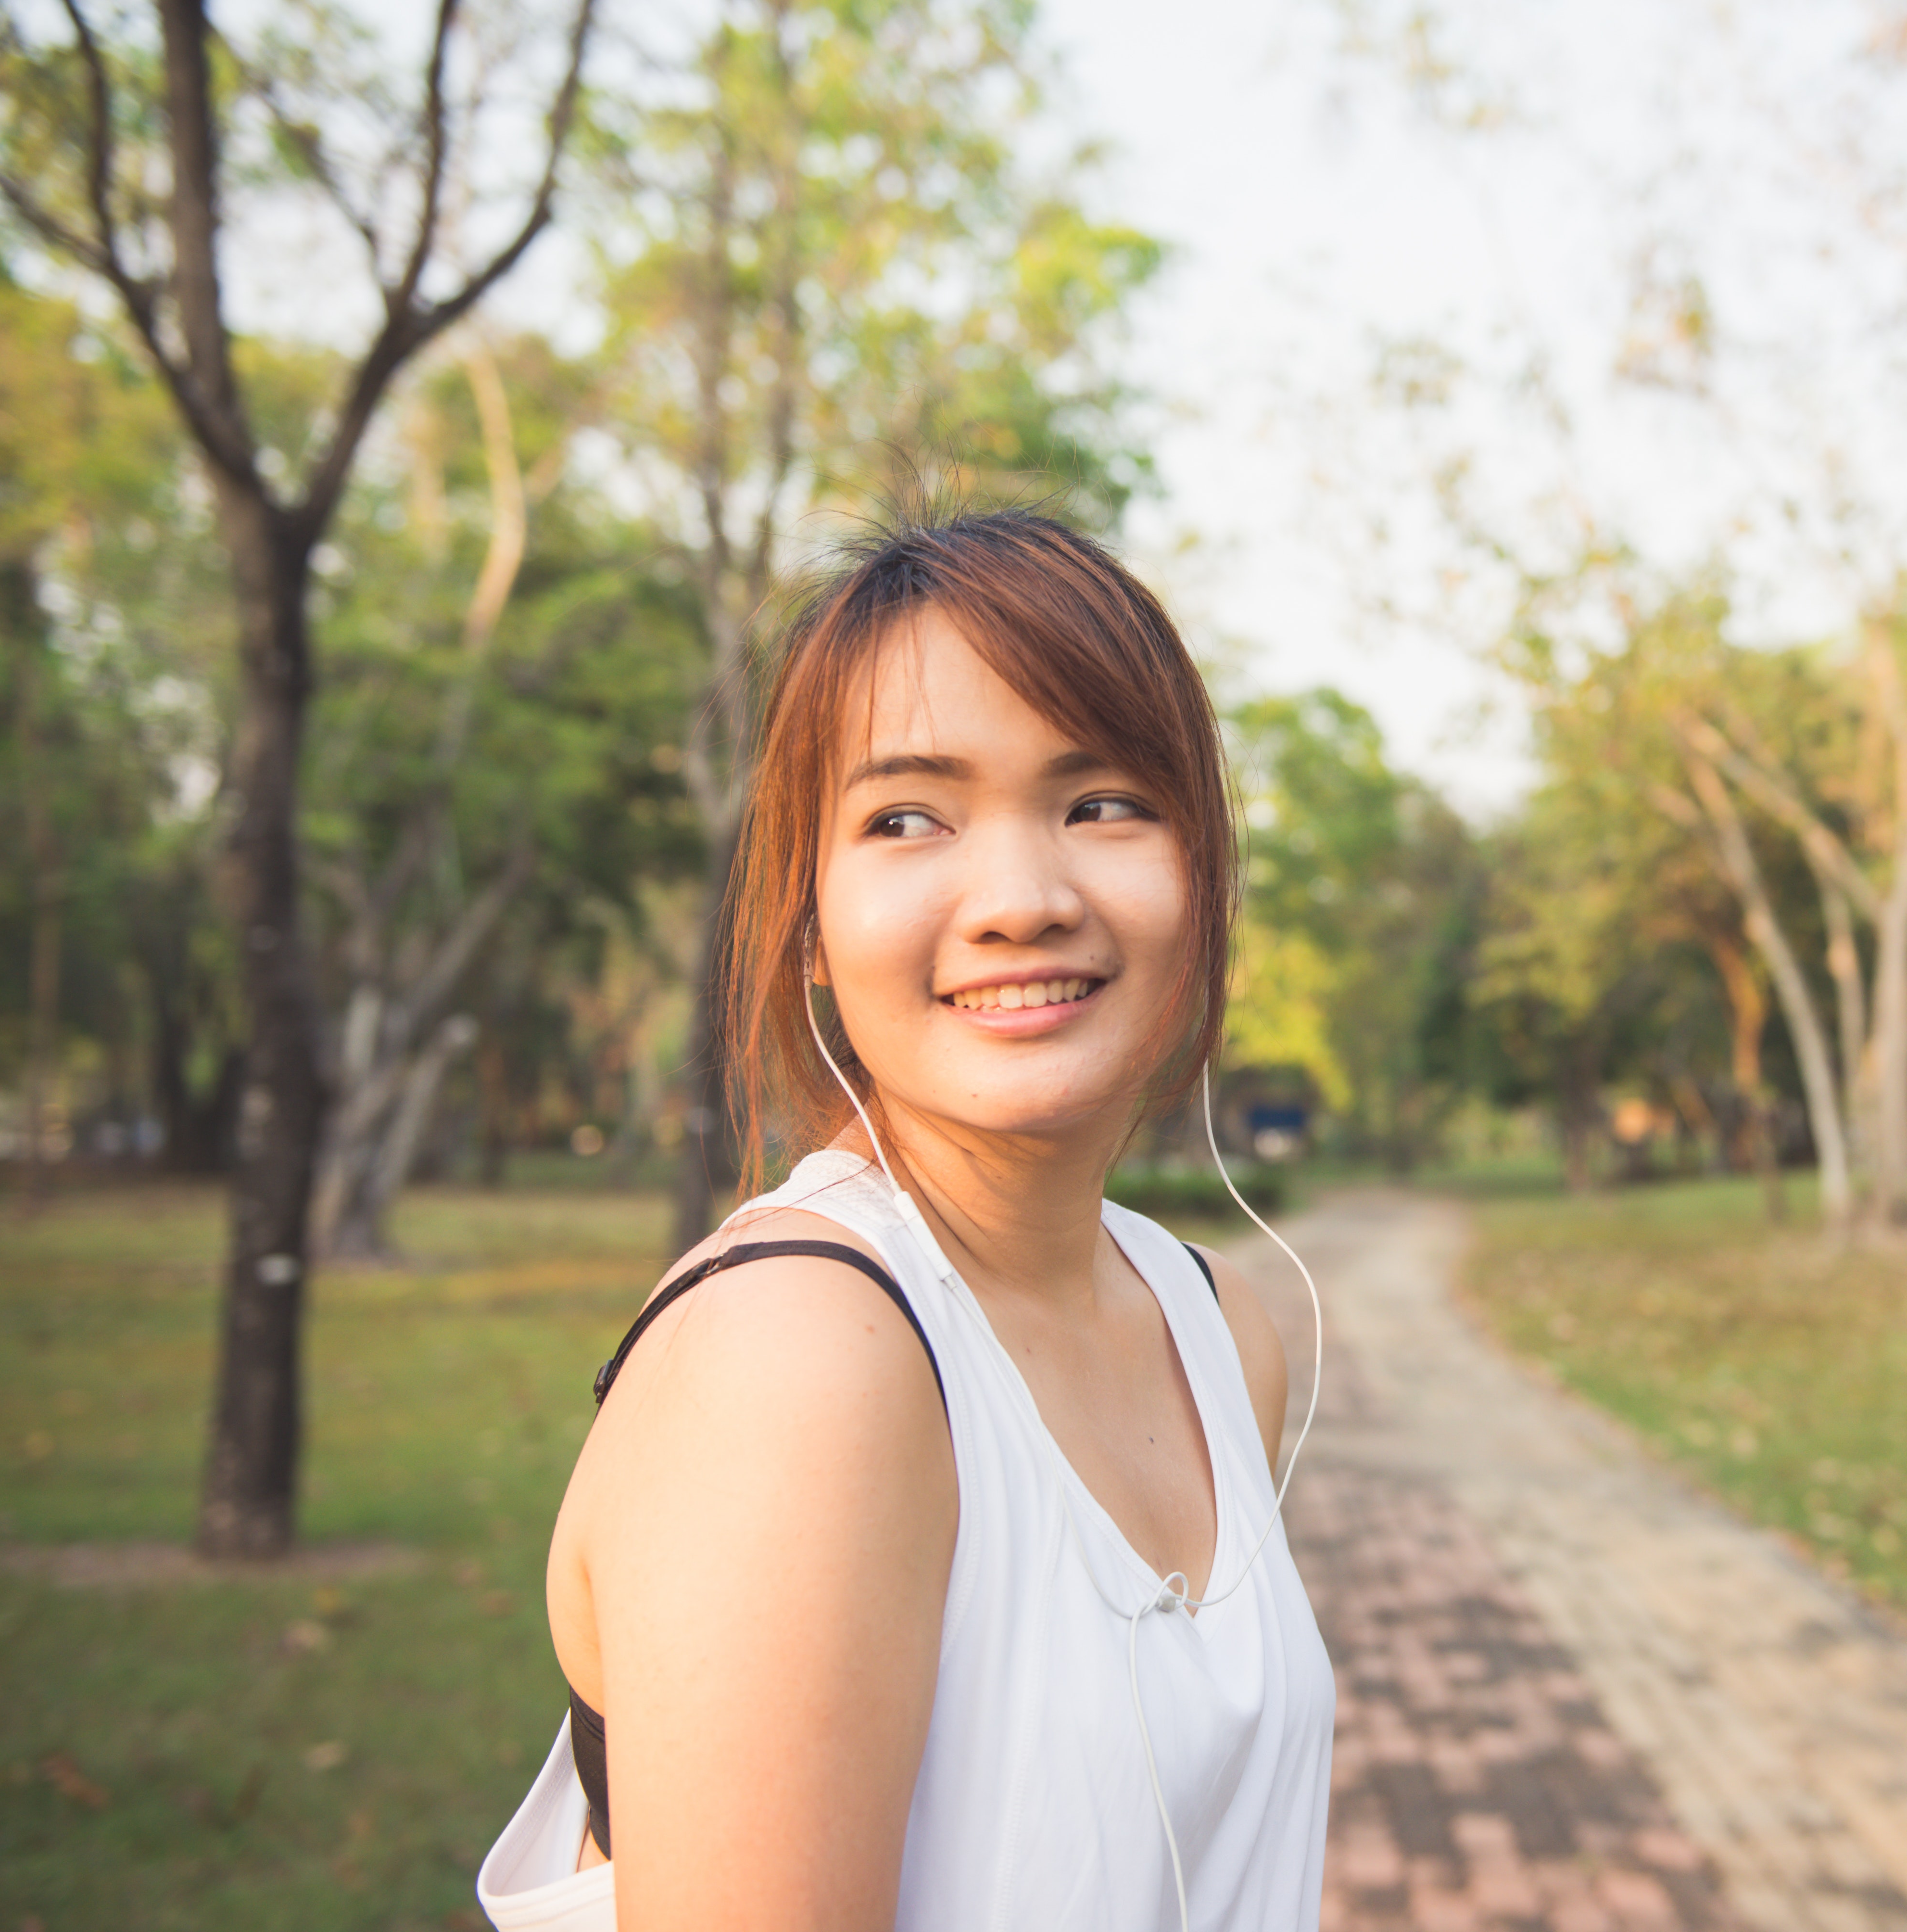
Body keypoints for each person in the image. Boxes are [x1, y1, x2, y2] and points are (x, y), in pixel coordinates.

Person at [476, 510, 1336, 1931]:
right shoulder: (799, 1356)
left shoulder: (1219, 1323)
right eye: (907, 819)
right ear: (810, 915)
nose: (1022, 901)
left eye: (1103, 801)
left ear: (1202, 868)